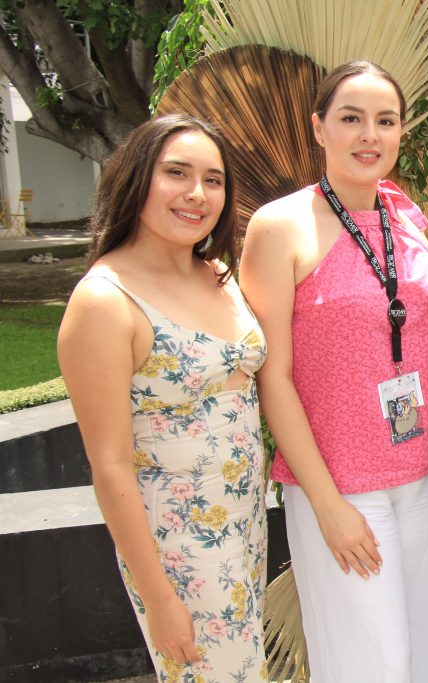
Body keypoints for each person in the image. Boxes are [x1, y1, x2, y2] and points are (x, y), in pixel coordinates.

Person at [239, 61, 428, 682]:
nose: (369, 135)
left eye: (385, 121)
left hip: (424, 473)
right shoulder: (280, 226)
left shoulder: (406, 219)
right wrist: (327, 506)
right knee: (370, 667)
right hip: (340, 485)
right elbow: (272, 378)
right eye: (351, 118)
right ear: (319, 128)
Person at [58, 114, 268, 680]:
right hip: (181, 548)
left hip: (243, 525)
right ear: (136, 178)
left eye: (213, 179)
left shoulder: (217, 274)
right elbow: (110, 468)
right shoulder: (105, 301)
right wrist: (159, 599)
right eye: (177, 173)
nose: (197, 193)